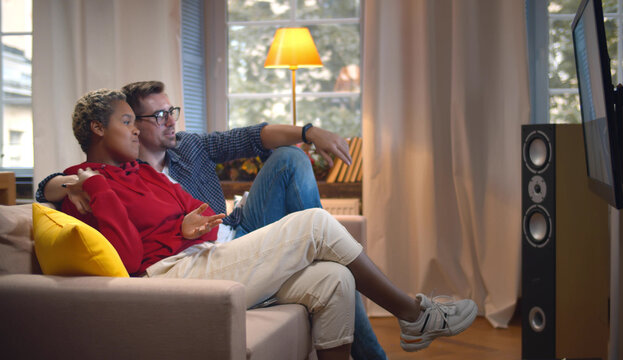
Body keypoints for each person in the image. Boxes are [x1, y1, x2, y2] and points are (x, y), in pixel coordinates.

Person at [59, 88, 478, 359]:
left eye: (138, 121)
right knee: (315, 224)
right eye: (128, 121)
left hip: (209, 254)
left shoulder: (147, 171)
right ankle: (412, 313)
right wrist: (92, 186)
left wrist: (185, 227)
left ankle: (404, 320)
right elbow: (130, 258)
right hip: (174, 276)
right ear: (98, 128)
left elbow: (195, 212)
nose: (138, 130)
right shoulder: (84, 186)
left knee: (334, 279)